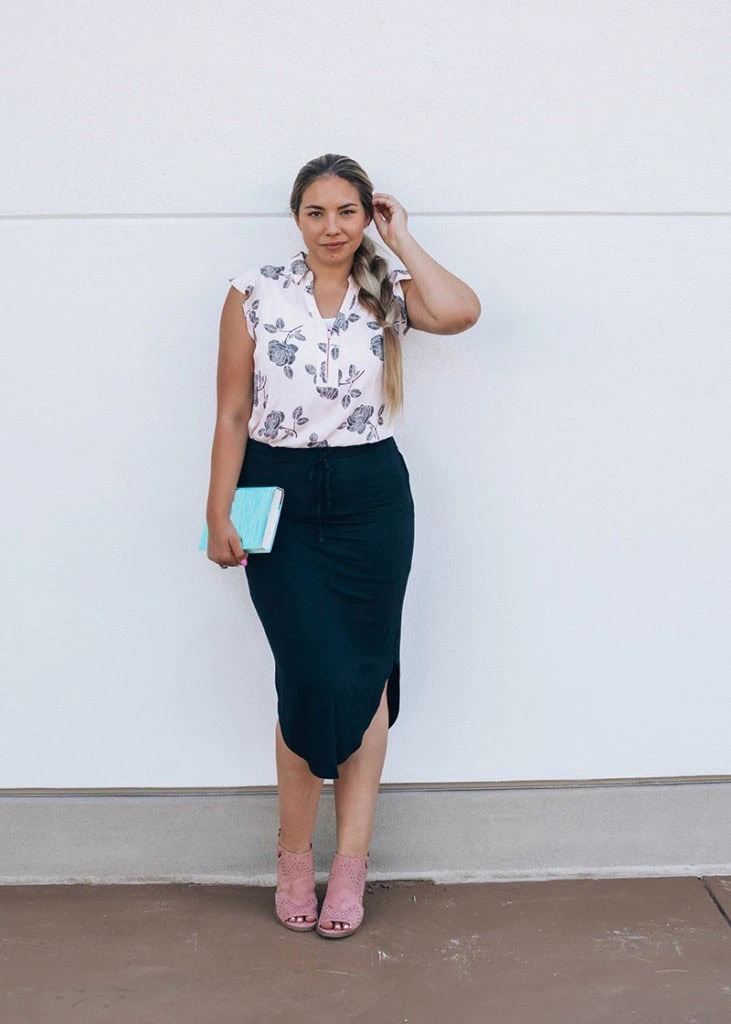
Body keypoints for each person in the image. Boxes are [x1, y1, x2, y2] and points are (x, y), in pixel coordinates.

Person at [203, 153, 481, 938]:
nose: (331, 227)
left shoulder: (386, 292)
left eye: (348, 213)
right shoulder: (252, 291)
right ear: (296, 218)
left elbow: (461, 312)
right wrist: (218, 511)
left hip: (370, 496)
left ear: (368, 217)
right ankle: (295, 856)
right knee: (307, 671)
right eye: (316, 212)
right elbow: (230, 413)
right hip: (271, 490)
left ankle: (349, 864)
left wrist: (403, 243)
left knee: (364, 673)